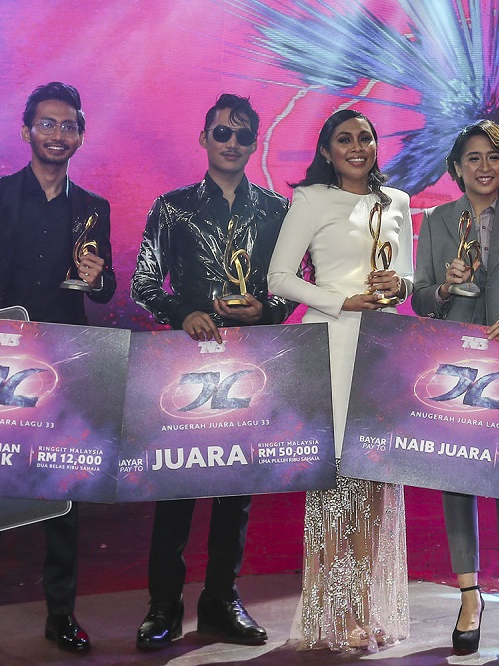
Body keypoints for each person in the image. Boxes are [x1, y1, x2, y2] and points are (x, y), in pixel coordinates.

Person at [0, 81, 115, 658]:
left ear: (81, 134)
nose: (58, 134)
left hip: (62, 364)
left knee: (63, 498)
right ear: (26, 130)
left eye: (69, 126)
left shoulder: (93, 208)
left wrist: (95, 277)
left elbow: (104, 291)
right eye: (48, 123)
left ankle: (61, 616)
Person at [130, 93, 293, 650]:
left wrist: (267, 311)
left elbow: (297, 282)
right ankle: (163, 605)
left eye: (242, 135)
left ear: (254, 144)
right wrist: (186, 311)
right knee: (175, 485)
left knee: (236, 489)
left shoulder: (277, 211)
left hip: (248, 359)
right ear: (203, 139)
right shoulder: (170, 207)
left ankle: (222, 600)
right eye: (221, 133)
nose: (231, 143)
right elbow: (144, 283)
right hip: (184, 361)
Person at [410, 119, 499, 663]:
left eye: (493, 157)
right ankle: (470, 598)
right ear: (456, 168)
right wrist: (446, 285)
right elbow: (422, 303)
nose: (484, 166)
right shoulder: (436, 222)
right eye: (473, 157)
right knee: (458, 481)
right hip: (454, 373)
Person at [267, 109, 412, 652]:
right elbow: (278, 277)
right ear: (327, 150)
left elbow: (410, 280)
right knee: (333, 492)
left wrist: (398, 284)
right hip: (331, 347)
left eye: (366, 137)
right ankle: (337, 611)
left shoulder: (395, 202)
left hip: (383, 350)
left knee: (373, 490)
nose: (357, 147)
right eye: (344, 139)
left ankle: (365, 605)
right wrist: (339, 299)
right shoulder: (310, 200)